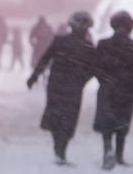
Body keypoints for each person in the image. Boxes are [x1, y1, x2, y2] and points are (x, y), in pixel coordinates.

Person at [26, 11, 96, 165]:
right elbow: (94, 69)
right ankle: (61, 150)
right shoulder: (88, 47)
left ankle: (58, 149)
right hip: (73, 88)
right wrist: (81, 80)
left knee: (56, 117)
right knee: (68, 119)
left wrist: (34, 77)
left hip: (56, 85)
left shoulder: (60, 41)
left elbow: (45, 59)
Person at [93, 11, 133, 169]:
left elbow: (96, 66)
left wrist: (105, 80)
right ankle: (119, 155)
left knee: (107, 121)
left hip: (108, 89)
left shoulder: (103, 44)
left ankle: (108, 149)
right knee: (123, 122)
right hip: (126, 90)